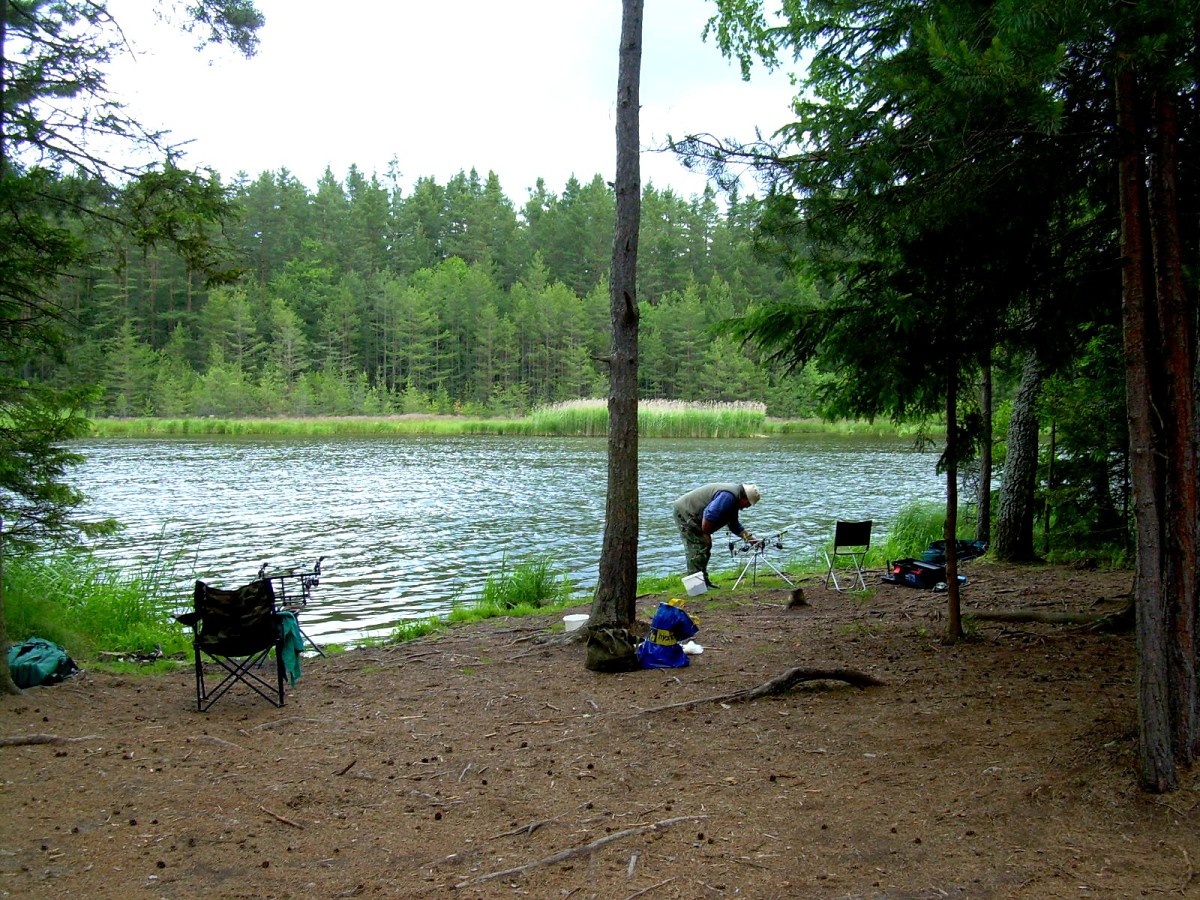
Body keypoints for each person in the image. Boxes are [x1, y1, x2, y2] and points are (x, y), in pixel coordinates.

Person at [672, 482, 761, 587]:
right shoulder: (728, 496)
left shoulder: (734, 500)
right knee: (697, 549)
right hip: (685, 513)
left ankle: (704, 583)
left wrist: (751, 539)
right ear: (744, 498)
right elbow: (710, 514)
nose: (747, 507)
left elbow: (734, 525)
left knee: (704, 548)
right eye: (748, 504)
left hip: (696, 516)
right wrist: (706, 533)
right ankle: (695, 588)